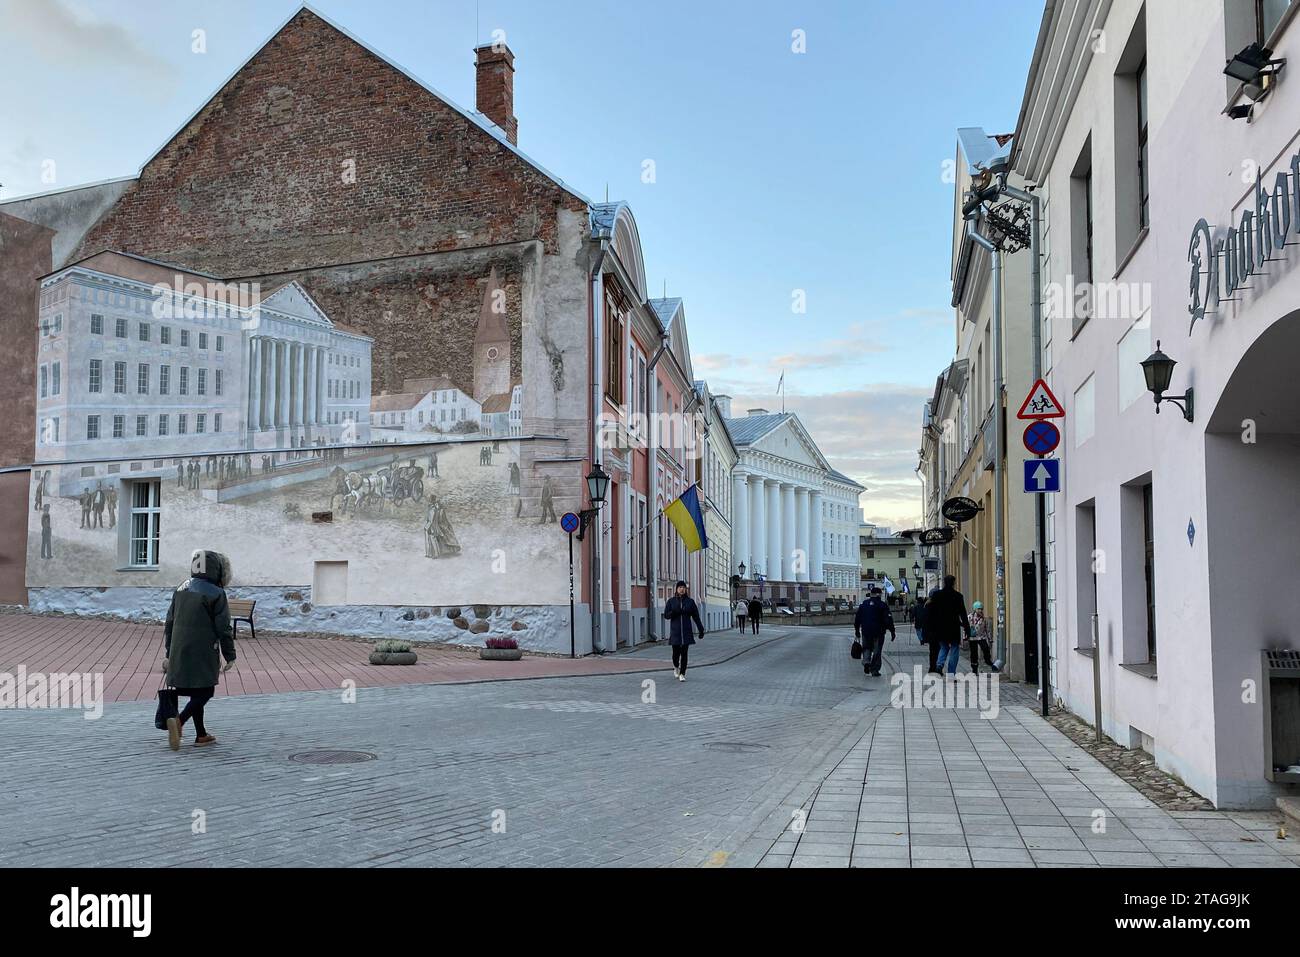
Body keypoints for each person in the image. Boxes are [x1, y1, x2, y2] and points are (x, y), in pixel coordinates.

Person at [161, 550, 237, 750]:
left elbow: (169, 622)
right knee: (206, 691)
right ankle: (179, 721)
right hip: (203, 649)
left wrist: (169, 652)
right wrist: (230, 655)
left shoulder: (180, 589)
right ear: (217, 569)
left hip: (179, 648)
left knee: (196, 691)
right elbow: (223, 627)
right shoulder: (216, 593)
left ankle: (201, 735)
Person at [927, 576, 972, 676]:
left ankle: (939, 665)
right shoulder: (958, 596)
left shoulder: (937, 595)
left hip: (941, 626)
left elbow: (931, 612)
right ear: (953, 583)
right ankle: (951, 673)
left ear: (944, 582)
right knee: (955, 648)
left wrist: (931, 627)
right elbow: (963, 614)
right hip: (953, 626)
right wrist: (967, 628)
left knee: (943, 646)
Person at [662, 580, 704, 681]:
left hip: (686, 631)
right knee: (675, 654)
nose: (682, 589)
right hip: (675, 632)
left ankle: (682, 673)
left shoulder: (690, 602)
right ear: (676, 589)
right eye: (680, 587)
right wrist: (674, 612)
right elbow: (666, 615)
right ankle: (676, 666)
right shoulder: (671, 601)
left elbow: (696, 616)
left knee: (684, 653)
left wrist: (701, 629)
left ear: (685, 589)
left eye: (683, 588)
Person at [854, 587, 896, 677]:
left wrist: (857, 630)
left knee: (866, 648)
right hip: (879, 632)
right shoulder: (882, 605)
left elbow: (857, 618)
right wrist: (892, 631)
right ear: (879, 594)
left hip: (866, 631)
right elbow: (888, 619)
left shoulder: (864, 604)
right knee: (877, 650)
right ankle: (874, 670)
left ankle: (866, 662)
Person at [968, 601, 1000, 674]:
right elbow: (966, 627)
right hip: (972, 638)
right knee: (974, 654)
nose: (980, 610)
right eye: (978, 609)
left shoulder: (983, 618)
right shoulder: (969, 617)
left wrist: (990, 639)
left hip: (981, 637)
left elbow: (987, 629)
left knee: (986, 649)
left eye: (981, 609)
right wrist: (965, 637)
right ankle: (974, 669)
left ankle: (987, 660)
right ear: (975, 609)